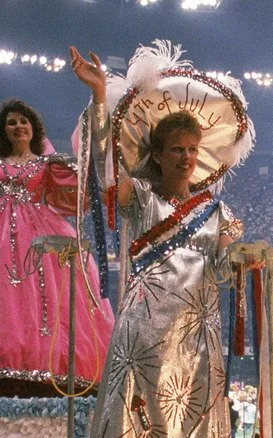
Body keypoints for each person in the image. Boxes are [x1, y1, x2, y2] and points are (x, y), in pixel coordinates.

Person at [70, 41, 254, 437]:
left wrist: (244, 260)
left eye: (192, 149)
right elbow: (104, 170)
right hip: (143, 334)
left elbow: (226, 266)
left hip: (197, 340)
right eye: (176, 149)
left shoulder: (218, 213)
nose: (186, 157)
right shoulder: (140, 197)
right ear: (157, 154)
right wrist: (100, 96)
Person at [0, 95, 114, 397]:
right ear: (4, 130)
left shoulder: (47, 164)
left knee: (49, 297)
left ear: (33, 128)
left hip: (40, 233)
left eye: (23, 121)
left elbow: (79, 191)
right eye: (11, 123)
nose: (18, 126)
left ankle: (47, 364)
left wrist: (105, 187)